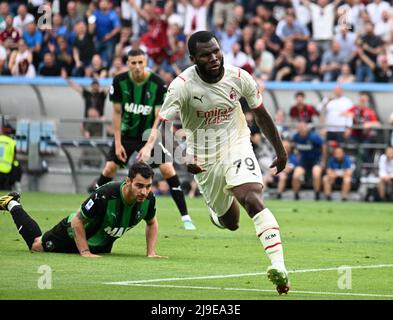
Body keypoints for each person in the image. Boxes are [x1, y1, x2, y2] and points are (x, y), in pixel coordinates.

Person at [157, 31, 290, 294]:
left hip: (237, 144)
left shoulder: (239, 77)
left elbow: (260, 114)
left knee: (252, 198)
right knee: (231, 222)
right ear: (193, 58)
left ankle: (280, 267)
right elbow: (162, 129)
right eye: (206, 54)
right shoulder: (182, 86)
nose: (214, 57)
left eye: (216, 51)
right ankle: (217, 213)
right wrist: (184, 158)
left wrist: (280, 150)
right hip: (204, 159)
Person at [90, 48, 196, 231]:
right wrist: (117, 144)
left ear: (145, 62)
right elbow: (116, 113)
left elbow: (158, 118)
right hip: (125, 136)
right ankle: (90, 208)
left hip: (149, 135)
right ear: (128, 64)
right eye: (133, 63)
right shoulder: (119, 81)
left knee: (168, 169)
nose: (137, 66)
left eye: (140, 62)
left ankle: (186, 218)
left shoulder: (157, 84)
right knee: (109, 168)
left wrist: (148, 146)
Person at [0, 161, 165, 258]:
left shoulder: (149, 199)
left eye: (148, 186)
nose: (144, 191)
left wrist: (151, 252)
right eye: (139, 186)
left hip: (99, 245)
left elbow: (152, 222)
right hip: (72, 233)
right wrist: (85, 252)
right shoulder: (105, 195)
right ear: (128, 181)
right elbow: (78, 220)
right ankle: (12, 204)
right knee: (36, 246)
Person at [292, 122, 325, 201]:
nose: (301, 129)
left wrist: (323, 160)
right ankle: (296, 195)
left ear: (306, 127)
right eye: (299, 127)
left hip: (315, 160)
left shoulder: (313, 137)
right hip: (304, 161)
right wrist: (298, 156)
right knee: (296, 176)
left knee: (316, 174)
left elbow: (323, 145)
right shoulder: (296, 137)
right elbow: (295, 147)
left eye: (302, 127)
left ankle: (317, 195)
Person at [0, 119, 22, 192]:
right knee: (17, 165)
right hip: (6, 171)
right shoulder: (12, 143)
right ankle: (17, 184)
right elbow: (14, 158)